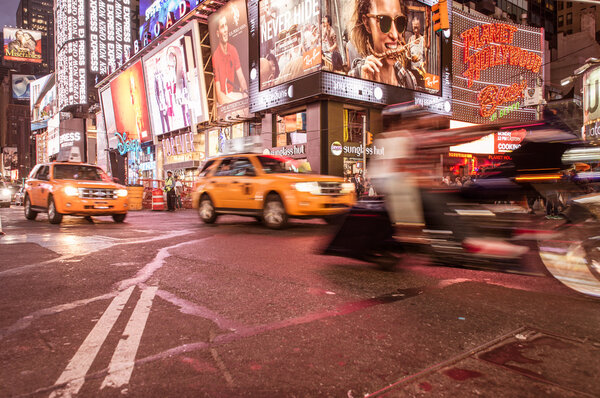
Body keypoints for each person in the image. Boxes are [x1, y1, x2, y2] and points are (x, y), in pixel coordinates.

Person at [349, 0, 417, 89]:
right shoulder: (354, 79)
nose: (395, 35)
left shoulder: (410, 80)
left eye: (399, 22)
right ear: (367, 24)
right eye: (384, 22)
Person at [212, 14, 248, 105]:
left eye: (226, 25)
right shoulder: (215, 57)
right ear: (217, 33)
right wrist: (238, 105)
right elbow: (220, 97)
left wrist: (246, 96)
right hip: (223, 101)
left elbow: (242, 79)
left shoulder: (233, 50)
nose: (225, 30)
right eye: (222, 27)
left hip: (233, 96)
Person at [407, 17, 426, 87]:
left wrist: (424, 63)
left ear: (420, 27)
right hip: (412, 71)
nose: (415, 28)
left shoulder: (423, 40)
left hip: (421, 71)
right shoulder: (410, 39)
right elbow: (408, 54)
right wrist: (410, 58)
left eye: (417, 26)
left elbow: (427, 58)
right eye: (414, 26)